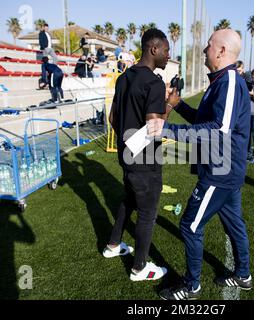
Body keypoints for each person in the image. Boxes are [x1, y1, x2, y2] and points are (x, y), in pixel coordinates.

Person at [155, 29, 252, 300]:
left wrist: (167, 129)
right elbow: (204, 120)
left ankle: (191, 285)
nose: (204, 50)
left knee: (189, 225)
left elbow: (219, 129)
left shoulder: (230, 80)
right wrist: (179, 105)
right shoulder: (221, 81)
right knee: (234, 223)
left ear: (221, 51)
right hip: (224, 170)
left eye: (209, 45)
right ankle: (243, 274)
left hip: (221, 171)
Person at [103, 29, 171, 282]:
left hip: (127, 156)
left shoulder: (123, 78)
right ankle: (139, 267)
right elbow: (154, 129)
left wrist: (127, 143)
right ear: (153, 49)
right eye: (165, 51)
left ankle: (113, 245)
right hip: (144, 160)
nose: (167, 56)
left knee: (129, 198)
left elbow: (112, 118)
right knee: (147, 212)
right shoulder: (154, 83)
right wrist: (171, 105)